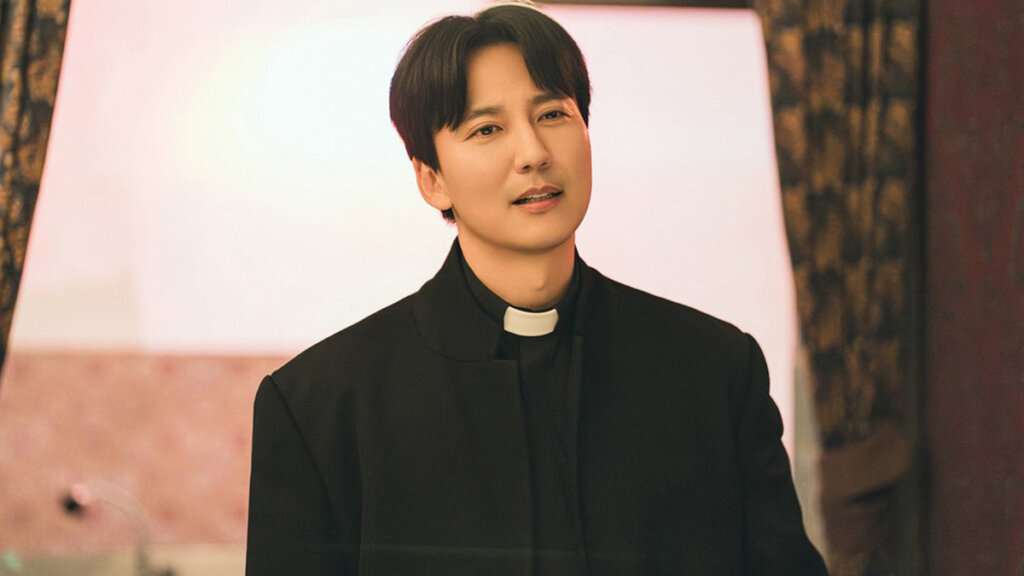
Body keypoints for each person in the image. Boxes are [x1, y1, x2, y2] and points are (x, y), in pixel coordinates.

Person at [245, 2, 828, 575]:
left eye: (552, 114)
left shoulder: (715, 370)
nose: (533, 154)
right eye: (487, 129)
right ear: (432, 179)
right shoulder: (319, 408)